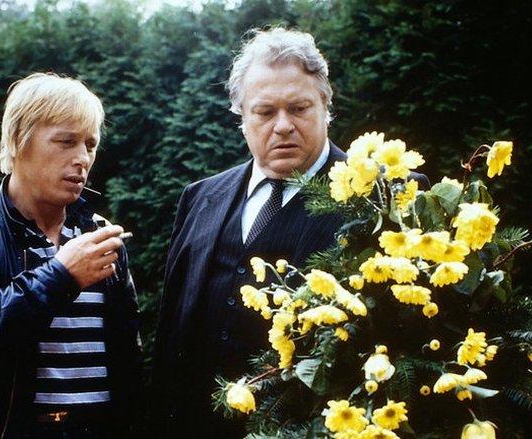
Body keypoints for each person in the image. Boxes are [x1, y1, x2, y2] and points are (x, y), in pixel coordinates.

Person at [151, 27, 427, 438]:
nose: (282, 126)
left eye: (298, 108)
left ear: (326, 107)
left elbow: (412, 345)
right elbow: (171, 335)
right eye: (264, 112)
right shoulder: (199, 198)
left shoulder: (387, 196)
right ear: (242, 118)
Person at [0, 72, 142, 438]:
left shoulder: (99, 234)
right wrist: (60, 276)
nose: (82, 158)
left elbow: (127, 357)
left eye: (90, 144)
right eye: (66, 141)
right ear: (18, 141)